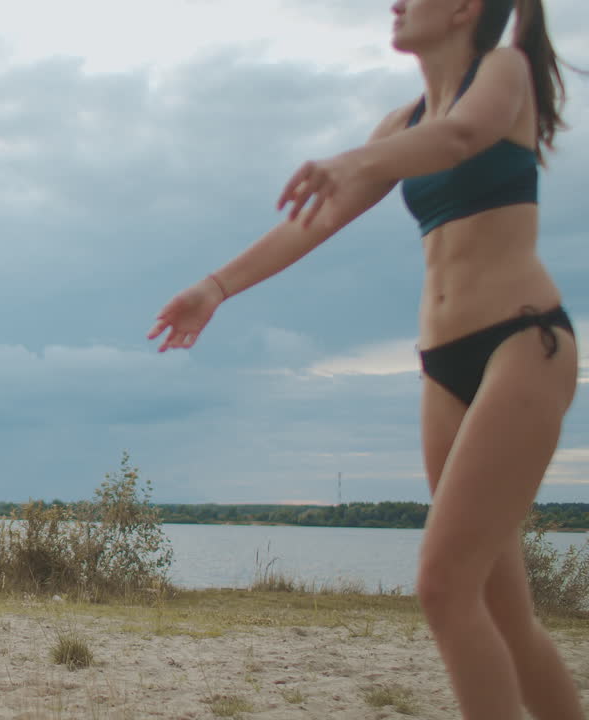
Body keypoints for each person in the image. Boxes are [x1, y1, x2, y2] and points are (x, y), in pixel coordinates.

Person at [147, 1, 583, 718]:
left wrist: (353, 158)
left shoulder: (501, 73)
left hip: (522, 344)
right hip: (444, 367)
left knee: (442, 586)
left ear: (465, 8)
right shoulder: (400, 126)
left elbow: (464, 135)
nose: (396, 2)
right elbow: (314, 220)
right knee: (505, 613)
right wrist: (216, 286)